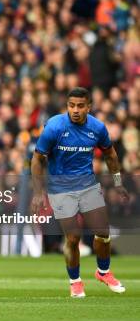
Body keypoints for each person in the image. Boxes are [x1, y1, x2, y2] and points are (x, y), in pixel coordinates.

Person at [31, 87, 130, 298]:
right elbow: (37, 158)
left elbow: (110, 155)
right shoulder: (54, 127)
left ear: (89, 107)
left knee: (103, 233)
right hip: (60, 189)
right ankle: (75, 282)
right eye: (71, 105)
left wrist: (118, 182)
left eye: (80, 106)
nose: (75, 110)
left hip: (87, 186)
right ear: (67, 106)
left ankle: (103, 272)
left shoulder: (97, 128)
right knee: (73, 238)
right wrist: (39, 192)